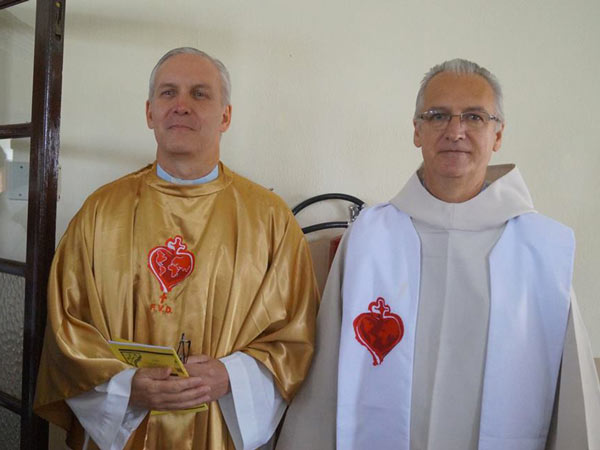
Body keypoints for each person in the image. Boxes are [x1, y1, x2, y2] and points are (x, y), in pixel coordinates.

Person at [276, 59, 600, 450]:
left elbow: (572, 403)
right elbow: (327, 375)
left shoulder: (542, 250)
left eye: (475, 117)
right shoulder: (369, 238)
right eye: (438, 116)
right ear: (417, 130)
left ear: (498, 134)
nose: (455, 131)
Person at [34, 47, 319, 450]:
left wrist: (231, 376)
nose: (182, 105)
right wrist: (124, 386)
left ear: (225, 116)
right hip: (127, 431)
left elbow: (295, 335)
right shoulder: (100, 213)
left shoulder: (270, 219)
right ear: (149, 112)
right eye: (169, 92)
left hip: (218, 426)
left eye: (199, 93)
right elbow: (67, 325)